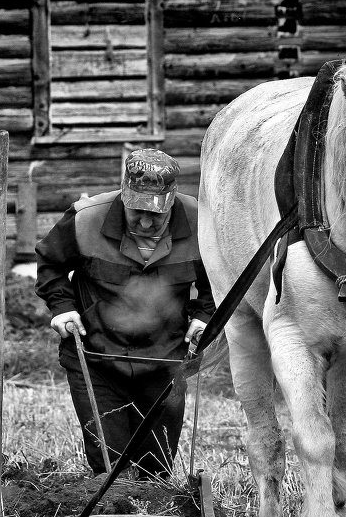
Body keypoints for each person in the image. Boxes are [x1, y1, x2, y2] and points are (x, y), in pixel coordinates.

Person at [36, 148, 214, 480]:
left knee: (156, 465)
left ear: (172, 199)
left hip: (165, 360)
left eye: (155, 215)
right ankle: (110, 516)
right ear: (124, 193)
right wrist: (63, 308)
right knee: (109, 463)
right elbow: (51, 265)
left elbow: (219, 278)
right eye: (136, 213)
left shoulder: (202, 222)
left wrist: (205, 314)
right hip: (96, 357)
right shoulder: (86, 218)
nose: (145, 222)